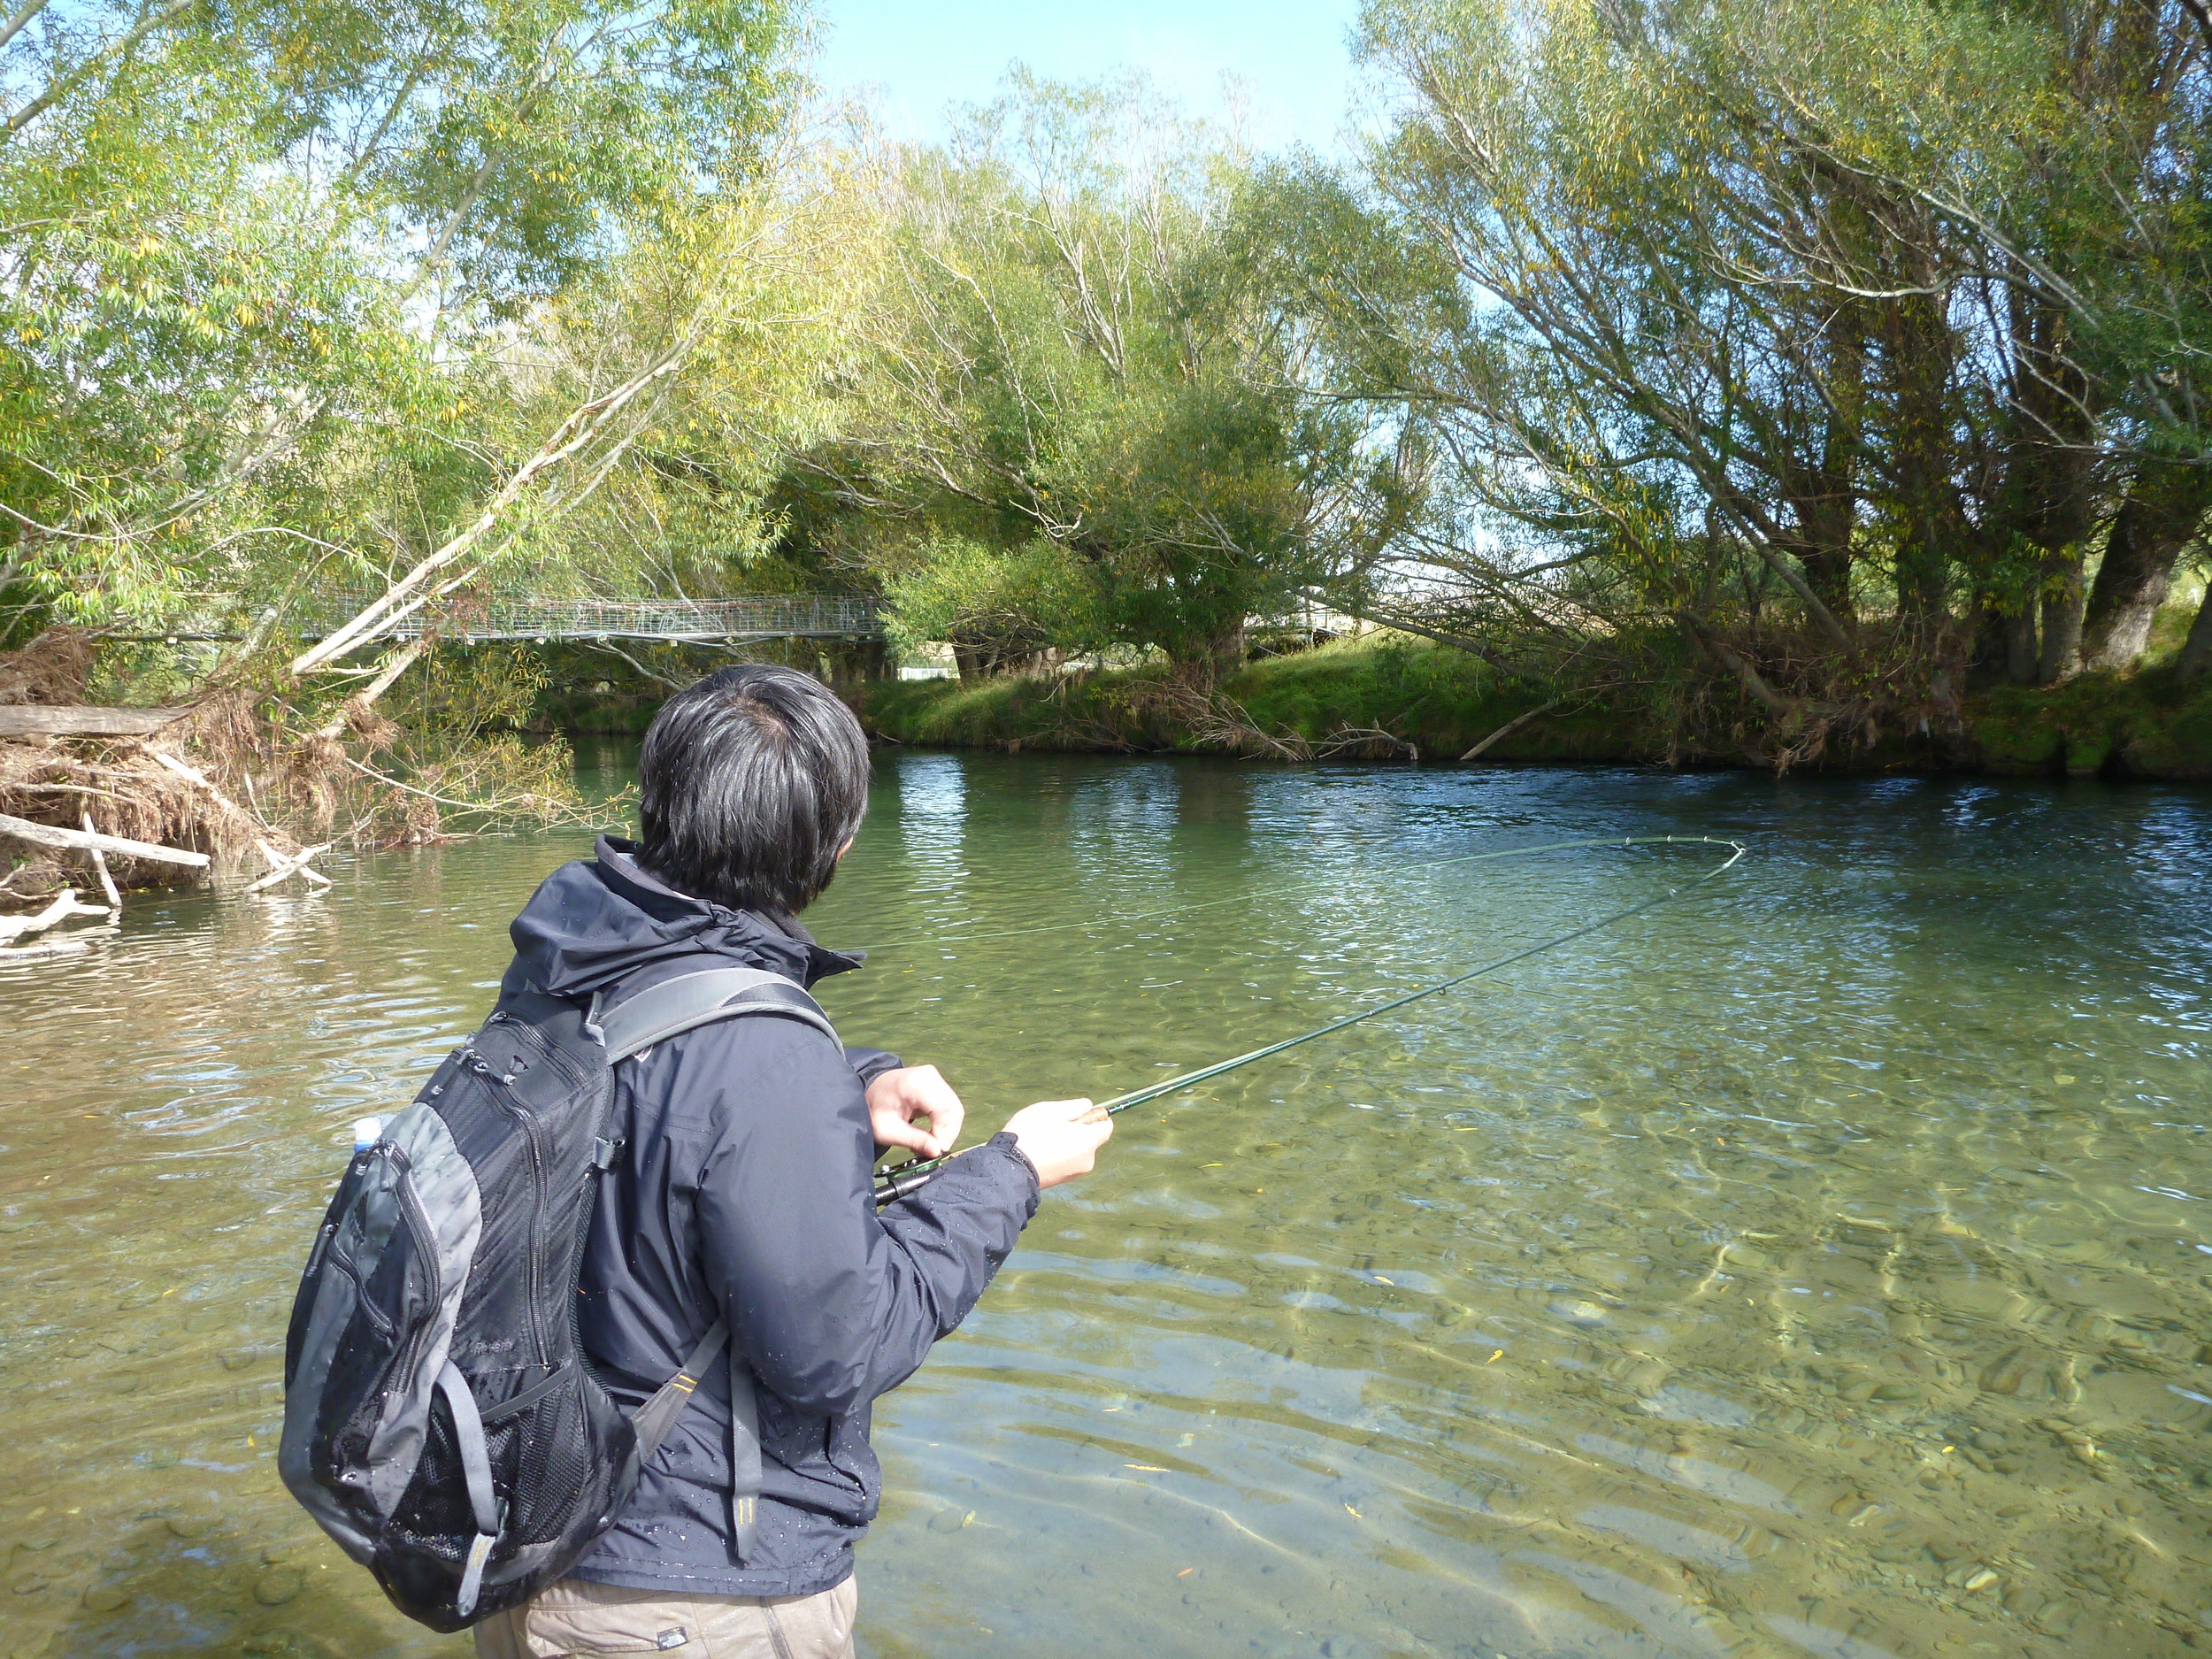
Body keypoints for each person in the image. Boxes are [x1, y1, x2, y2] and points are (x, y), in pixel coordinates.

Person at [472, 664, 1111, 1659]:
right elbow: (840, 1352)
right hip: (683, 1600)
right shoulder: (765, 1057)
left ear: (658, 800)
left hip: (532, 1542)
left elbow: (649, 1129)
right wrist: (1011, 1173)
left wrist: (849, 1097)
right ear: (838, 842)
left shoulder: (561, 969)